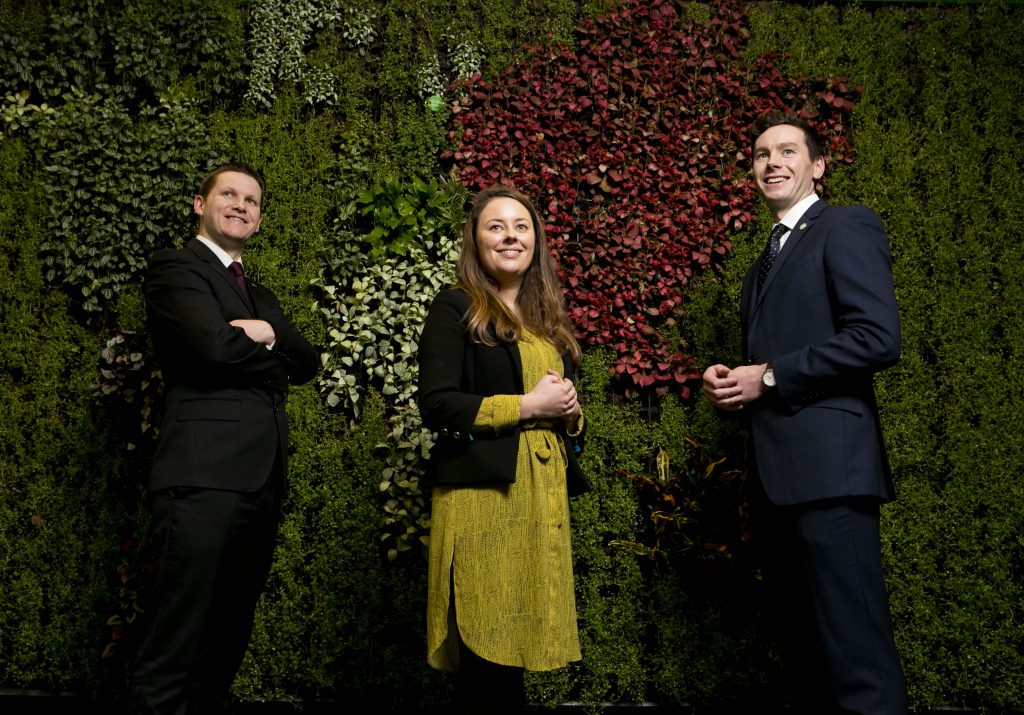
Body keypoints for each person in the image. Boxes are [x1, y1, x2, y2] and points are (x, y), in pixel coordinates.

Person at [702, 112, 909, 714]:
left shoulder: (845, 226)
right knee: (805, 654)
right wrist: (734, 383)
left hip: (831, 476)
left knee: (857, 655)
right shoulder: (759, 265)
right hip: (777, 481)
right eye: (762, 154)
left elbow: (877, 338)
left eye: (788, 151)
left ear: (817, 166)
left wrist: (766, 375)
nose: (773, 162)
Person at [128, 163, 320, 714]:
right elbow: (213, 348)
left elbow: (306, 362)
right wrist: (270, 350)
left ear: (259, 219)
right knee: (178, 635)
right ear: (199, 204)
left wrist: (269, 334)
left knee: (226, 637)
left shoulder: (259, 297)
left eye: (252, 200)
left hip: (259, 481)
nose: (241, 205)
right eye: (229, 194)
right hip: (202, 478)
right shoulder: (175, 269)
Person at [418, 185, 587, 714]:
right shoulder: (455, 307)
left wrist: (572, 413)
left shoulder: (546, 320)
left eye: (521, 226)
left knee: (514, 649)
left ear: (536, 240)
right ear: (475, 239)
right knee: (485, 651)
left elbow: (563, 417)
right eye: (496, 226)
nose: (510, 236)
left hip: (540, 499)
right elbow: (438, 403)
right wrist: (527, 406)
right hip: (483, 498)